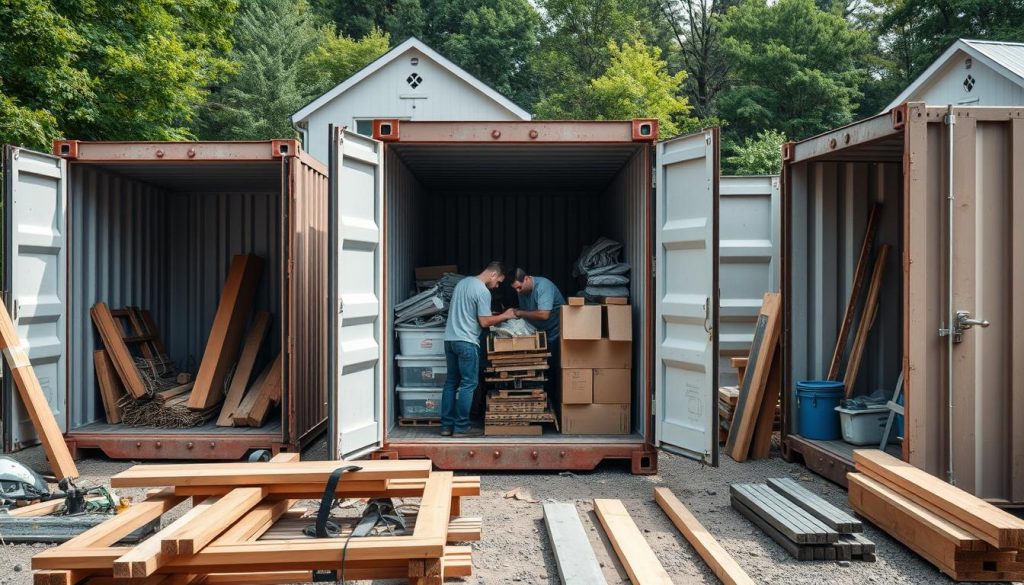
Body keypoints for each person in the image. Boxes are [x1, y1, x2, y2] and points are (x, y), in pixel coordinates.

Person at [441, 261, 515, 437]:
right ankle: (461, 427)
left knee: (451, 383)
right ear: (494, 275)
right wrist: (505, 315)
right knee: (469, 384)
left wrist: (493, 316)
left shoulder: (463, 283)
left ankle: (446, 427)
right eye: (498, 282)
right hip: (467, 342)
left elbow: (469, 313)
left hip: (450, 340)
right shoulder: (483, 291)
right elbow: (484, 322)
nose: (497, 286)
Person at [508, 268, 566, 342]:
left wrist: (520, 313)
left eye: (519, 287)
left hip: (555, 331)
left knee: (553, 352)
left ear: (526, 278)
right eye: (515, 289)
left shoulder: (543, 286)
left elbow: (544, 315)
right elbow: (527, 311)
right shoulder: (521, 291)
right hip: (538, 330)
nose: (518, 291)